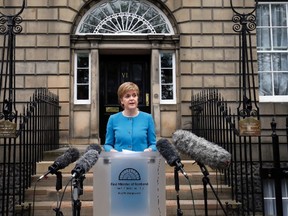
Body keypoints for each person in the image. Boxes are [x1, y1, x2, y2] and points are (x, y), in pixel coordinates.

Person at [103, 82, 157, 152]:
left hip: (142, 161)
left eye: (134, 95)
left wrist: (149, 149)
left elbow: (153, 144)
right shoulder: (113, 119)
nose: (131, 98)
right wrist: (112, 151)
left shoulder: (148, 118)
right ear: (122, 100)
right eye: (127, 96)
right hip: (120, 161)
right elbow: (107, 145)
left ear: (137, 98)